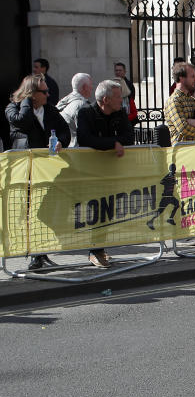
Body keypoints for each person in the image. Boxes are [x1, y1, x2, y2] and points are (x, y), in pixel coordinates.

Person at [5, 74, 69, 270]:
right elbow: (22, 122)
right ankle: (35, 255)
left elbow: (64, 130)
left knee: (43, 210)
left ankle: (41, 253)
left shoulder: (49, 110)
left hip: (45, 169)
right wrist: (26, 101)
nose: (48, 95)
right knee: (29, 211)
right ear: (32, 94)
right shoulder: (13, 108)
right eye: (44, 91)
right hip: (24, 171)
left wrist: (61, 141)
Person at [76, 80, 135, 268]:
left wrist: (114, 142)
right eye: (118, 97)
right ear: (106, 99)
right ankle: (94, 249)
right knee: (94, 209)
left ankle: (99, 248)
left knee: (107, 209)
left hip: (111, 170)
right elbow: (86, 138)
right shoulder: (86, 113)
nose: (121, 100)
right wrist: (113, 144)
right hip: (90, 170)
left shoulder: (119, 113)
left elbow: (129, 137)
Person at [164, 61, 195, 142]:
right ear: (181, 78)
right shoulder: (174, 101)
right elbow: (183, 128)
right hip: (182, 152)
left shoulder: (194, 101)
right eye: (192, 76)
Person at [56, 73, 94, 147]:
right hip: (77, 151)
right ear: (85, 87)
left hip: (65, 149)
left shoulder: (62, 102)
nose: (92, 88)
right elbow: (84, 134)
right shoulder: (82, 106)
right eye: (90, 85)